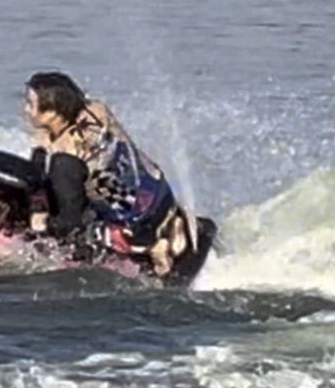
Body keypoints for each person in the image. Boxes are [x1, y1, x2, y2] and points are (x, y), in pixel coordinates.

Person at [17, 71, 201, 277]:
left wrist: (41, 223)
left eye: (30, 105)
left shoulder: (65, 163)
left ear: (53, 113)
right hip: (160, 192)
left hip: (134, 227)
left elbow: (70, 223)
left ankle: (151, 246)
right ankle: (169, 223)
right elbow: (67, 136)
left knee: (68, 234)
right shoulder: (97, 110)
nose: (26, 110)